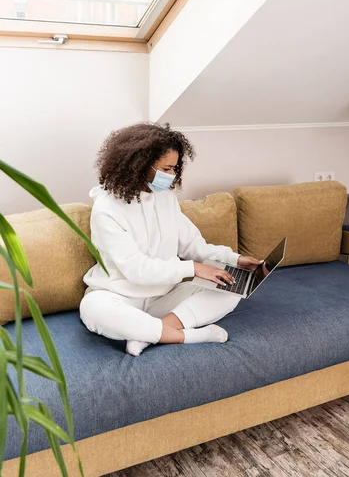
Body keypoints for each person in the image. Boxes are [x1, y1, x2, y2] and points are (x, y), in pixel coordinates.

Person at [79, 122, 262, 356]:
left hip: (164, 295)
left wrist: (234, 260)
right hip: (120, 295)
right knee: (93, 308)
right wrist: (193, 269)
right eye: (165, 169)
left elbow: (192, 244)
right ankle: (184, 336)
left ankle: (152, 333)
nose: (171, 176)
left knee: (232, 288)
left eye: (174, 169)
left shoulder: (164, 196)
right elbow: (137, 269)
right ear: (139, 165)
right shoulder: (106, 209)